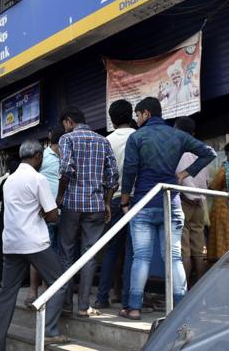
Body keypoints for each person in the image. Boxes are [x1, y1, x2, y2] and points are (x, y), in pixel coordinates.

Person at [120, 97, 216, 320]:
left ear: (145, 113)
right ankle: (180, 309)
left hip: (144, 203)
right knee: (173, 257)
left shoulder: (137, 137)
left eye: (137, 114)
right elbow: (209, 153)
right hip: (171, 203)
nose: (136, 119)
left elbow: (130, 172)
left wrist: (125, 201)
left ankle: (134, 308)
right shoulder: (178, 135)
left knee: (141, 257)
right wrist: (183, 174)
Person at [0, 141, 67, 350]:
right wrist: (47, 211)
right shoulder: (38, 178)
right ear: (37, 157)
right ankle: (50, 331)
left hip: (11, 243)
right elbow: (52, 215)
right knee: (60, 283)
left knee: (7, 294)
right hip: (34, 242)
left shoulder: (8, 180)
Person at [56, 107, 119, 317]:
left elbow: (65, 169)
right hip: (96, 205)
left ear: (68, 121)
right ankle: (83, 307)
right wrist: (108, 202)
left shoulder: (68, 138)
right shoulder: (104, 141)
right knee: (90, 255)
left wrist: (60, 196)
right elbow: (113, 177)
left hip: (72, 204)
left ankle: (66, 305)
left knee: (66, 252)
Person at [95, 100, 136, 314]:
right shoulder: (138, 137)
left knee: (112, 250)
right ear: (131, 115)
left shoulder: (105, 141)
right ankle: (129, 301)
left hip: (112, 198)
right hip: (137, 199)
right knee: (132, 251)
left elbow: (102, 175)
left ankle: (103, 297)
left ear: (111, 119)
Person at [26, 127, 63, 305]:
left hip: (62, 213)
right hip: (45, 214)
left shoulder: (66, 157)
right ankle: (33, 292)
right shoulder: (43, 157)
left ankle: (47, 291)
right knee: (39, 252)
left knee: (56, 254)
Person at [174, 116, 211, 286]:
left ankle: (184, 293)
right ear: (193, 133)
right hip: (200, 204)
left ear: (176, 130)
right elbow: (207, 181)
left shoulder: (176, 150)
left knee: (184, 252)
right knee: (199, 251)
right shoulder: (205, 151)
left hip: (183, 202)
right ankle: (199, 295)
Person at [0, 157, 20, 288]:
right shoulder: (20, 181)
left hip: (4, 216)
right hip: (16, 218)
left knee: (0, 247)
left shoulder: (2, 181)